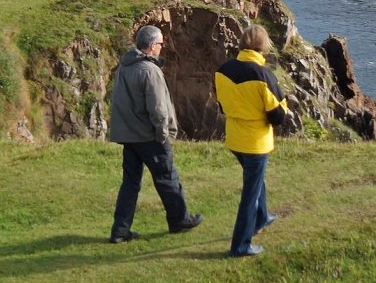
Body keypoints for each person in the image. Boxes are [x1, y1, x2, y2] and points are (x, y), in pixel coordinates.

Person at [109, 24, 203, 243]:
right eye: (161, 43)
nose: (162, 47)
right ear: (152, 46)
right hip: (148, 136)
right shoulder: (150, 70)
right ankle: (179, 219)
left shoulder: (124, 67)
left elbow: (120, 102)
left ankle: (120, 230)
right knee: (167, 177)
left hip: (129, 135)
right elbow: (158, 108)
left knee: (130, 183)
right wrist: (163, 134)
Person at [215, 23, 288, 257]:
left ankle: (262, 217)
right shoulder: (263, 74)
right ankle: (240, 245)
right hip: (256, 141)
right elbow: (277, 115)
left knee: (256, 180)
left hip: (235, 137)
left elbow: (221, 103)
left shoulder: (223, 70)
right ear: (263, 46)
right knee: (250, 192)